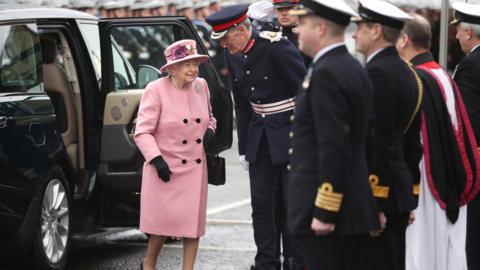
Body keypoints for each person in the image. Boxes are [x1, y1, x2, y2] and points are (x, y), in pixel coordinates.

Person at [205, 5, 306, 270]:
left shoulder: (276, 47)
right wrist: (243, 147)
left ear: (241, 30)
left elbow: (305, 94)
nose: (224, 45)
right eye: (221, 41)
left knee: (291, 203)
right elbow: (241, 103)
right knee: (262, 205)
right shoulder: (234, 54)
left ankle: (295, 260)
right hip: (260, 137)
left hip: (290, 132)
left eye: (227, 38)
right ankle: (266, 261)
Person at [286, 1, 380, 269]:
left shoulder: (327, 72)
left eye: (302, 24)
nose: (296, 31)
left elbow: (334, 144)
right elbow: (368, 139)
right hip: (350, 205)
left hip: (329, 212)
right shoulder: (351, 67)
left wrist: (326, 209)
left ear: (322, 28)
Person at [396, 13, 480, 270]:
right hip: (445, 170)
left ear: (404, 40)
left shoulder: (421, 78)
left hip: (429, 173)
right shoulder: (438, 73)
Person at [351, 1, 423, 269]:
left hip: (380, 194)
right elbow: (412, 145)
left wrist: (374, 203)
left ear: (377, 29)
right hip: (398, 191)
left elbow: (376, 143)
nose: (355, 34)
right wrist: (410, 194)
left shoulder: (377, 74)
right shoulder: (408, 72)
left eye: (359, 27)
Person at [134, 39, 216, 270]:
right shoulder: (156, 90)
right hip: (165, 167)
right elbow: (142, 132)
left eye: (195, 63)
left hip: (194, 168)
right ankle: (149, 263)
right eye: (185, 64)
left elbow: (211, 118)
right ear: (171, 68)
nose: (192, 69)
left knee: (192, 227)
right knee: (162, 227)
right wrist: (157, 160)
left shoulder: (201, 85)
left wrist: (210, 130)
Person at [451, 3, 480, 269]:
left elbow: (465, 121)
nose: (457, 36)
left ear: (469, 32)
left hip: (477, 161)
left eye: (458, 30)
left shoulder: (471, 65)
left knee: (473, 239)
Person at [273, 0, 311, 66]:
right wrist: (250, 19)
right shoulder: (270, 32)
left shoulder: (307, 36)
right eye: (280, 9)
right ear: (276, 11)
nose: (284, 13)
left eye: (289, 8)